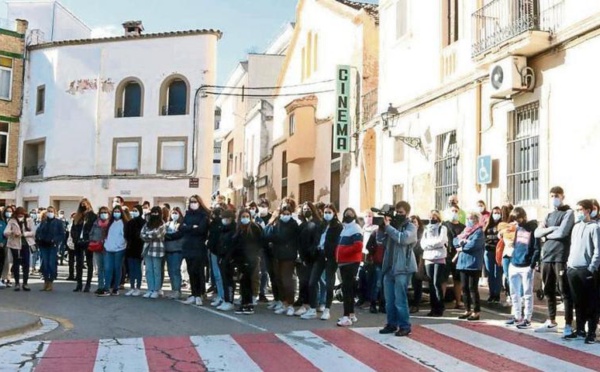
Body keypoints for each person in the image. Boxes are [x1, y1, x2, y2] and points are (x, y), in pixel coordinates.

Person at [533, 186, 575, 336]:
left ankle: (568, 324)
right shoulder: (549, 214)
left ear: (563, 196)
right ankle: (551, 321)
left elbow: (563, 232)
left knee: (564, 290)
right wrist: (552, 229)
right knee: (548, 290)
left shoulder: (569, 212)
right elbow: (537, 232)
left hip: (560, 256)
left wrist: (548, 232)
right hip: (547, 257)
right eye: (551, 195)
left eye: (556, 195)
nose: (554, 198)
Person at [379, 201, 417, 337]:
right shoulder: (392, 226)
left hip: (403, 267)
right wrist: (381, 228)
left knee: (400, 299)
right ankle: (391, 324)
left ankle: (405, 326)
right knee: (389, 299)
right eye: (397, 212)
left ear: (407, 213)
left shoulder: (411, 226)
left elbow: (403, 239)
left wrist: (389, 228)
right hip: (389, 267)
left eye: (401, 212)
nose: (398, 215)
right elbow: (380, 241)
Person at [302, 204, 343, 321]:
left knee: (329, 284)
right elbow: (316, 239)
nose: (327, 214)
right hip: (319, 256)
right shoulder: (321, 225)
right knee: (312, 282)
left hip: (330, 258)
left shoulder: (338, 227)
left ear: (334, 213)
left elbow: (337, 243)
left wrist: (333, 253)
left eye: (329, 212)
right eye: (325, 212)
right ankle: (312, 309)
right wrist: (314, 249)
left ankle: (327, 309)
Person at [567, 199, 600, 344]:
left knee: (591, 302)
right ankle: (580, 329)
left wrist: (591, 268)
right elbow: (572, 247)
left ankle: (591, 332)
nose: (578, 212)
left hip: (586, 270)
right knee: (578, 302)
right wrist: (569, 264)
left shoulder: (595, 228)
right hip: (573, 269)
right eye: (577, 210)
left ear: (587, 210)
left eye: (580, 210)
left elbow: (597, 251)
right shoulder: (575, 227)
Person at [264, 204, 300, 316]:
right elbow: (267, 235)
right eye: (283, 214)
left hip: (288, 257)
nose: (285, 216)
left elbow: (282, 237)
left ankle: (290, 304)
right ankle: (283, 302)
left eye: (288, 214)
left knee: (287, 281)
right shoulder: (277, 223)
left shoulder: (293, 225)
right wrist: (271, 222)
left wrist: (275, 239)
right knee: (278, 279)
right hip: (277, 255)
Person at [507, 207, 539, 329]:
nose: (517, 221)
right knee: (514, 292)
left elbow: (536, 248)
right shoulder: (518, 228)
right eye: (515, 219)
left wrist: (532, 264)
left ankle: (527, 318)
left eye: (518, 218)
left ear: (523, 216)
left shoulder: (533, 229)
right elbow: (516, 244)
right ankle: (517, 316)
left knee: (527, 293)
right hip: (514, 263)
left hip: (526, 265)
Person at [335, 208, 363, 327]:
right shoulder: (345, 228)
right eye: (346, 214)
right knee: (348, 289)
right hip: (343, 262)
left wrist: (343, 252)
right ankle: (351, 314)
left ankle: (346, 316)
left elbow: (358, 246)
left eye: (350, 214)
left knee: (347, 290)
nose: (348, 216)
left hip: (350, 263)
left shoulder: (355, 228)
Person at [180, 195, 210, 306]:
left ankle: (200, 294)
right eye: (191, 201)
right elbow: (181, 228)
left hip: (199, 247)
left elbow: (201, 229)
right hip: (188, 246)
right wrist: (192, 227)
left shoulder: (204, 215)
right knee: (191, 271)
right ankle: (193, 293)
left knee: (198, 271)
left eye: (195, 201)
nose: (193, 203)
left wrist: (189, 227)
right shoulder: (187, 214)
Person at [455, 211, 485, 321]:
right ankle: (467, 310)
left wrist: (462, 245)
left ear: (476, 220)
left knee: (472, 288)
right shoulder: (465, 231)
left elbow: (473, 245)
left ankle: (476, 311)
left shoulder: (479, 232)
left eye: (471, 219)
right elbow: (455, 240)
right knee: (464, 288)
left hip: (473, 263)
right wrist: (463, 242)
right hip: (462, 263)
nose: (468, 221)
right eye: (467, 218)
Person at [232, 209, 263, 315]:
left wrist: (254, 255)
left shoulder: (254, 228)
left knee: (247, 281)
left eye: (247, 216)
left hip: (251, 259)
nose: (245, 218)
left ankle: (248, 305)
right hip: (241, 259)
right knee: (243, 282)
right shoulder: (239, 229)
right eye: (243, 216)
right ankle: (244, 303)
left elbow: (260, 242)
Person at [295, 202, 322, 317]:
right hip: (303, 258)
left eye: (308, 208)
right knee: (304, 282)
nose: (306, 210)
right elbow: (299, 242)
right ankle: (305, 304)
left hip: (314, 258)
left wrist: (311, 253)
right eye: (304, 209)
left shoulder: (317, 224)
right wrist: (302, 256)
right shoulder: (302, 225)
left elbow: (317, 241)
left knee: (312, 283)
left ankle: (313, 306)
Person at [421, 210, 448, 317]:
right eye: (430, 217)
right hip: (428, 258)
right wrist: (431, 245)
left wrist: (430, 245)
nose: (432, 219)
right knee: (431, 284)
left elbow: (441, 241)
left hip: (439, 257)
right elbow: (423, 243)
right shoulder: (426, 229)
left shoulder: (442, 228)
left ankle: (440, 307)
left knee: (437, 282)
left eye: (434, 217)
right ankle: (433, 308)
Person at [4, 207, 35, 291]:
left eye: (22, 214)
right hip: (15, 245)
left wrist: (24, 234)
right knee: (16, 264)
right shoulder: (12, 221)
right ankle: (17, 283)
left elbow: (33, 232)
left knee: (26, 263)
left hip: (26, 244)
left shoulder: (29, 220)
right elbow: (5, 232)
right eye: (19, 214)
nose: (20, 216)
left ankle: (25, 283)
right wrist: (12, 232)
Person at [34, 206, 64, 291]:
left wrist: (55, 240)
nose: (50, 213)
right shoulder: (43, 222)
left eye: (51, 211)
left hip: (52, 246)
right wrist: (39, 238)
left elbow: (62, 234)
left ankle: (51, 282)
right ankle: (45, 281)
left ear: (54, 212)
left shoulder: (58, 222)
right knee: (44, 264)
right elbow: (38, 232)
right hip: (43, 245)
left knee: (51, 264)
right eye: (48, 211)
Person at [71, 199, 97, 293]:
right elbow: (73, 229)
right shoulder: (77, 216)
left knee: (89, 263)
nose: (83, 207)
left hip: (88, 241)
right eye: (81, 205)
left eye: (85, 205)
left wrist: (91, 239)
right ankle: (79, 283)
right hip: (78, 242)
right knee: (78, 263)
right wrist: (75, 239)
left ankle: (88, 284)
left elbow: (94, 229)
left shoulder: (93, 216)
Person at [140, 206, 166, 299]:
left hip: (157, 250)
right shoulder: (147, 224)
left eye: (156, 212)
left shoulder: (162, 223)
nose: (154, 214)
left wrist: (148, 234)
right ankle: (150, 289)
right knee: (148, 270)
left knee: (156, 270)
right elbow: (142, 234)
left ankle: (156, 289)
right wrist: (150, 234)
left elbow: (158, 234)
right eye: (153, 212)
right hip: (147, 249)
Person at [102, 205, 129, 296]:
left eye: (118, 211)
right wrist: (106, 244)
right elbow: (107, 235)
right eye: (115, 211)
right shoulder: (110, 223)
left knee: (117, 268)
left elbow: (124, 237)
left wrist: (120, 245)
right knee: (108, 268)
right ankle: (106, 288)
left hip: (119, 249)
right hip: (109, 248)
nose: (116, 213)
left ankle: (116, 288)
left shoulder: (124, 223)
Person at [444, 204, 466, 309]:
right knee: (443, 279)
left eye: (456, 211)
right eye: (452, 211)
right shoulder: (444, 225)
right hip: (446, 255)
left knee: (457, 280)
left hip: (458, 255)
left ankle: (458, 301)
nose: (454, 213)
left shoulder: (463, 227)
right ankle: (440, 301)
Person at [216, 209, 236, 311]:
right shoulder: (223, 230)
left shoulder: (234, 230)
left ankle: (230, 300)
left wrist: (229, 258)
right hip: (222, 258)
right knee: (224, 280)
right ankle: (226, 299)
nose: (224, 220)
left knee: (229, 281)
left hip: (230, 259)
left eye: (226, 218)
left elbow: (233, 246)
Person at [483, 207, 504, 303]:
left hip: (499, 251)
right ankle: (491, 294)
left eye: (498, 213)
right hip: (488, 251)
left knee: (498, 273)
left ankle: (497, 294)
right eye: (495, 212)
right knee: (490, 273)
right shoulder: (488, 225)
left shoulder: (502, 224)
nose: (496, 214)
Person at [366, 223, 387, 314]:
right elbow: (368, 245)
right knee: (378, 284)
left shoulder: (390, 233)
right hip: (378, 261)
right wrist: (373, 252)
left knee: (384, 284)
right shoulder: (375, 233)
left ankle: (382, 305)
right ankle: (373, 304)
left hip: (386, 261)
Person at [124, 205, 145, 297]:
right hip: (130, 247)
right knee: (131, 269)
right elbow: (126, 234)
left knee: (137, 269)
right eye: (133, 210)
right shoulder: (130, 222)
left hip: (139, 248)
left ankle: (138, 287)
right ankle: (132, 287)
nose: (134, 212)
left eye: (136, 210)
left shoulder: (143, 222)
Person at [165, 207, 185, 300]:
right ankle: (173, 289)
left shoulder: (181, 225)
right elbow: (163, 234)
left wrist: (169, 236)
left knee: (176, 270)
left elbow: (178, 235)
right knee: (170, 271)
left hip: (177, 250)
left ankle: (177, 290)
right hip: (168, 250)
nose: (174, 215)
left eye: (176, 213)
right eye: (173, 213)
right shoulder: (167, 224)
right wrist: (168, 236)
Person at [90, 207, 110, 296]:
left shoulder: (110, 223)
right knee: (100, 268)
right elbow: (91, 233)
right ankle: (100, 286)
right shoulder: (96, 223)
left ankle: (107, 287)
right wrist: (94, 240)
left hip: (108, 248)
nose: (103, 214)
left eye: (105, 212)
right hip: (98, 247)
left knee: (107, 268)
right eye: (102, 212)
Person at [409, 215, 425, 314]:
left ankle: (416, 304)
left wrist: (420, 265)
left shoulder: (422, 235)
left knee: (417, 284)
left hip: (418, 260)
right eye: (411, 222)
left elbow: (422, 251)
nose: (413, 224)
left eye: (415, 222)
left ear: (418, 224)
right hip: (407, 261)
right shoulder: (407, 233)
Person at [0, 207, 9, 289]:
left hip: (1, 246)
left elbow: (6, 235)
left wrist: (3, 242)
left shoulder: (3, 223)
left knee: (1, 263)